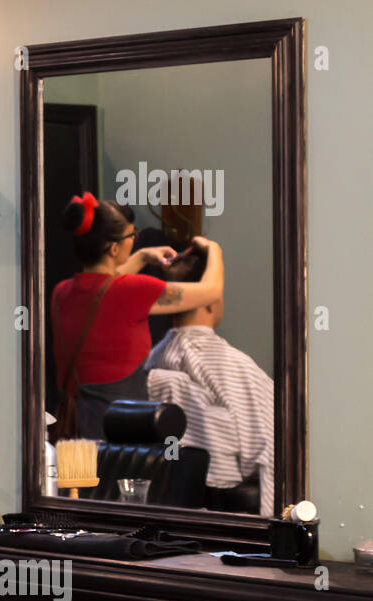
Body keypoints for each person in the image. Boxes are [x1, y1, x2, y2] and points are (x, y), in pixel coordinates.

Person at [51, 192, 223, 440]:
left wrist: (142, 256)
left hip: (76, 436)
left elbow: (103, 284)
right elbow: (211, 291)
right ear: (114, 248)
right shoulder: (133, 291)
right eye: (133, 236)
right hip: (119, 434)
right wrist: (213, 250)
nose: (135, 239)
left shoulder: (62, 293)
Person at [144, 242, 274, 515]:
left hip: (164, 499)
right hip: (226, 506)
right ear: (211, 300)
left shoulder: (152, 360)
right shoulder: (234, 366)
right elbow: (268, 450)